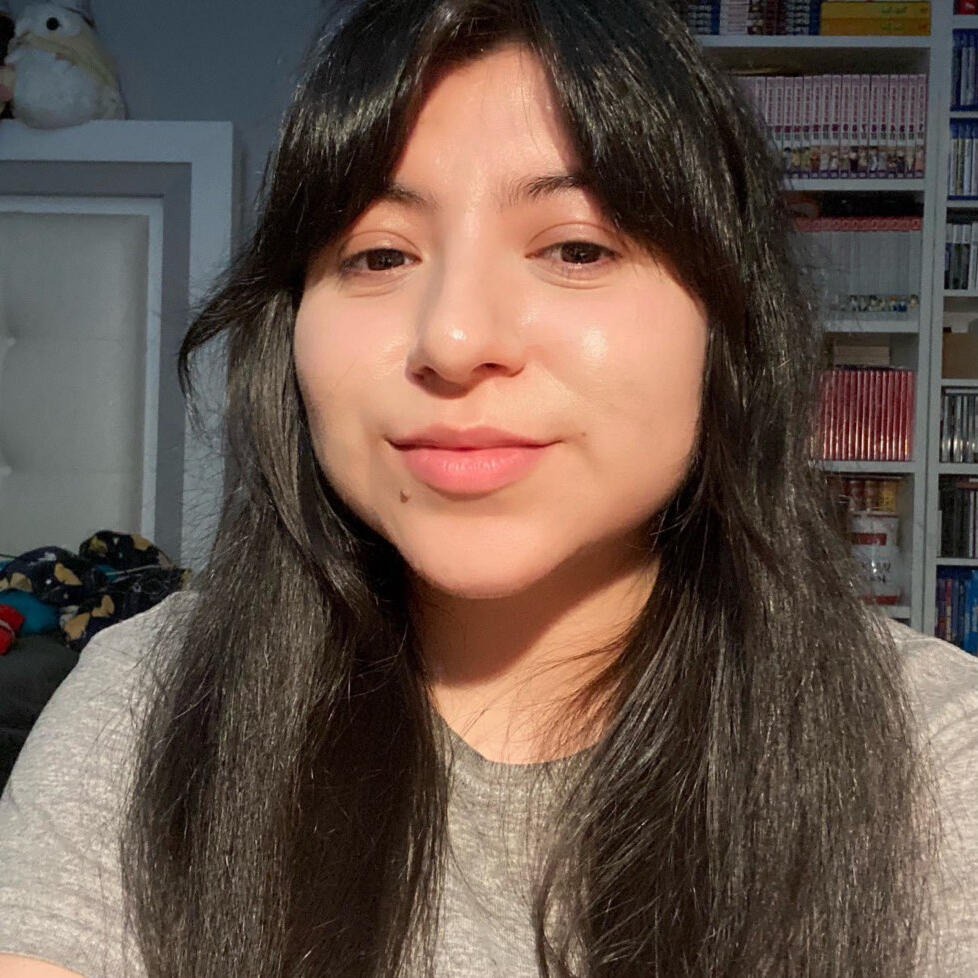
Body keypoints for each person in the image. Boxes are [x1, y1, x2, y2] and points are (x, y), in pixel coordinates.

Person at [1, 1, 976, 976]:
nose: (455, 339)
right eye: (379, 255)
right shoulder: (152, 704)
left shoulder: (935, 763)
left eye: (576, 249)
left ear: (729, 330)